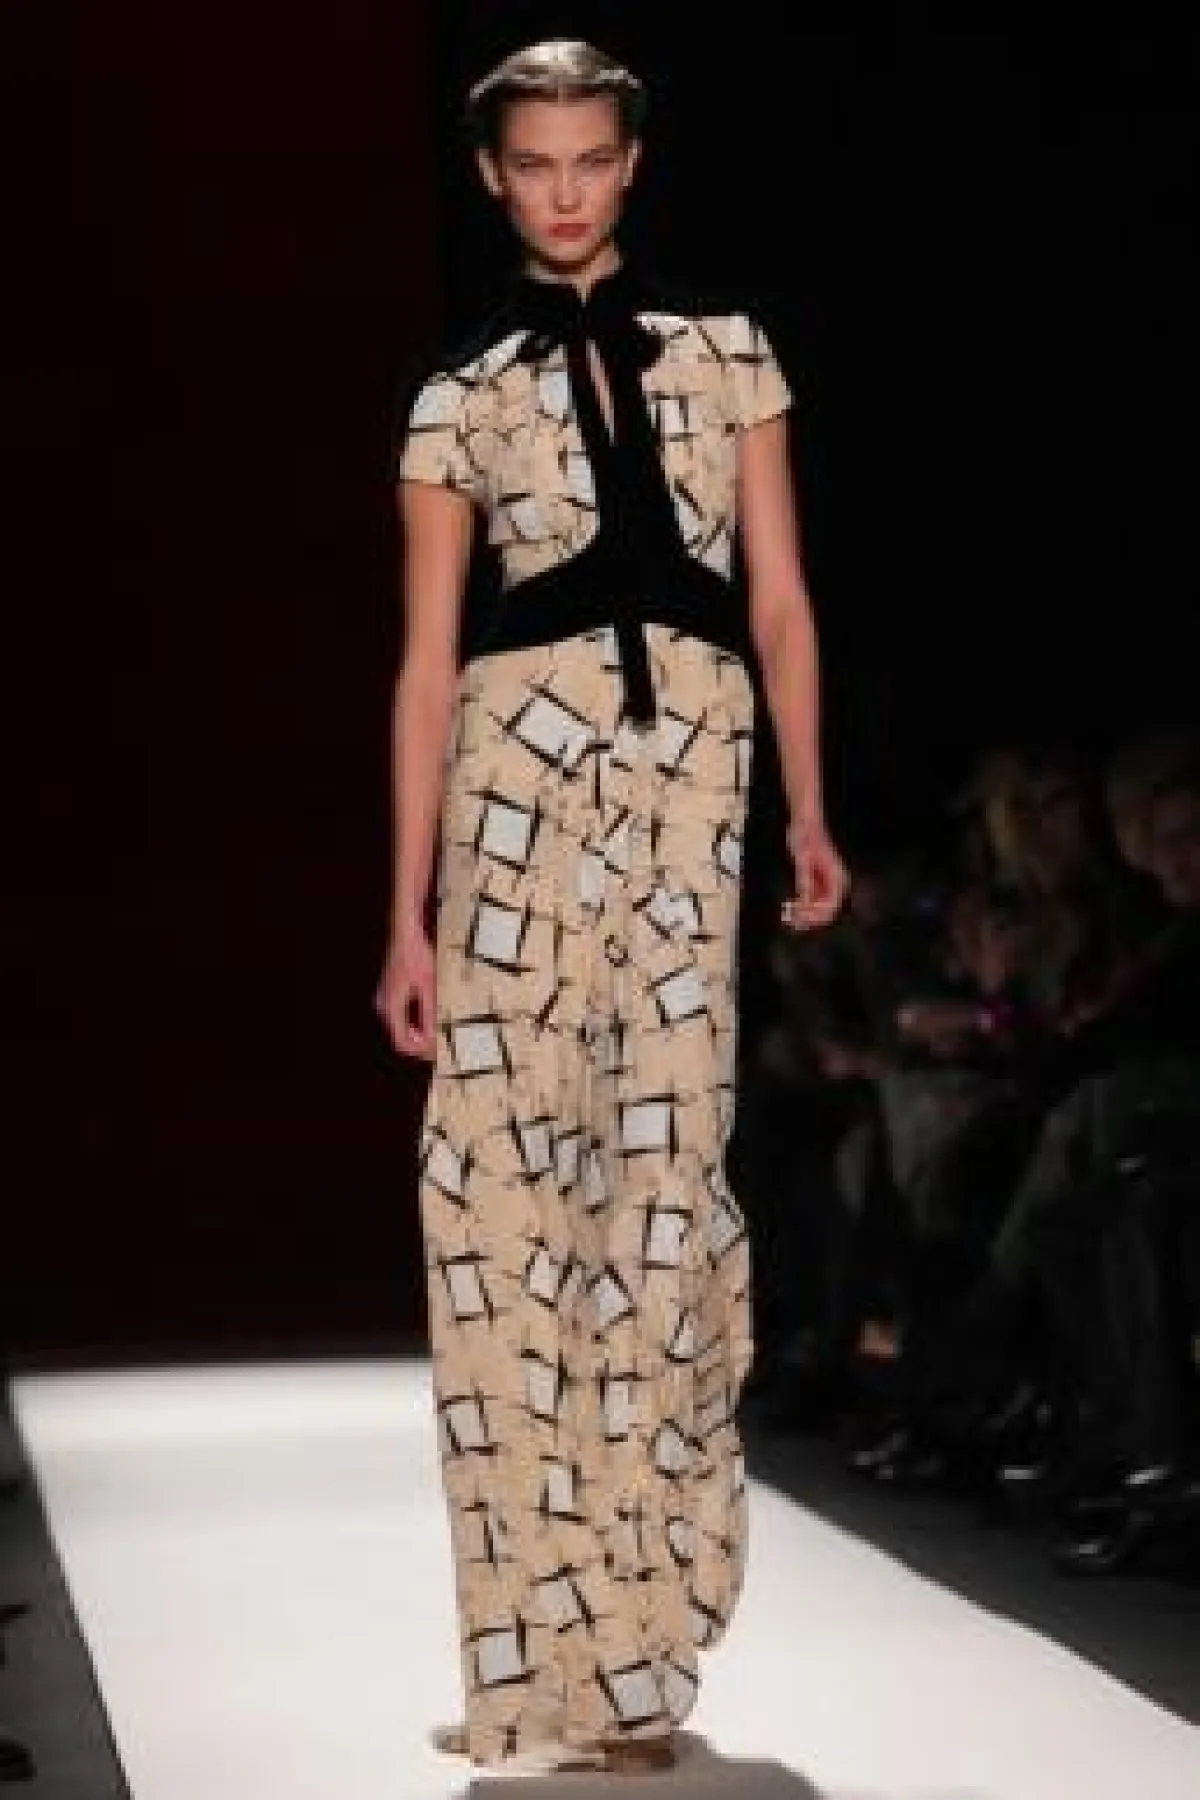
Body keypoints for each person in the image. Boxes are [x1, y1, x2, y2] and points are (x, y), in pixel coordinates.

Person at [373, 37, 848, 1778]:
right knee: (501, 1209)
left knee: (662, 1199)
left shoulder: (731, 353)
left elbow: (779, 601)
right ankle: (531, 1665)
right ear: (492, 177)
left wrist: (808, 807)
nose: (565, 190)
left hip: (692, 784)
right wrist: (408, 913)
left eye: (591, 159)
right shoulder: (457, 391)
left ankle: (634, 1663)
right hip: (512, 793)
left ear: (630, 163)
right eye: (535, 164)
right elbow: (426, 667)